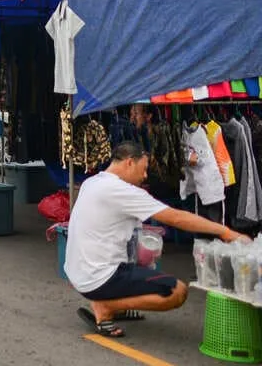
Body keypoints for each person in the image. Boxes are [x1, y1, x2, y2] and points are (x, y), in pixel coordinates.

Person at [65, 140, 250, 338]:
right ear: (129, 162)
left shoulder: (92, 182)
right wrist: (226, 232)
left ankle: (109, 301)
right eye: (143, 169)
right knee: (176, 292)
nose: (145, 176)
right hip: (98, 277)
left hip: (78, 272)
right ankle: (106, 307)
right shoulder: (121, 191)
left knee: (143, 263)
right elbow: (176, 218)